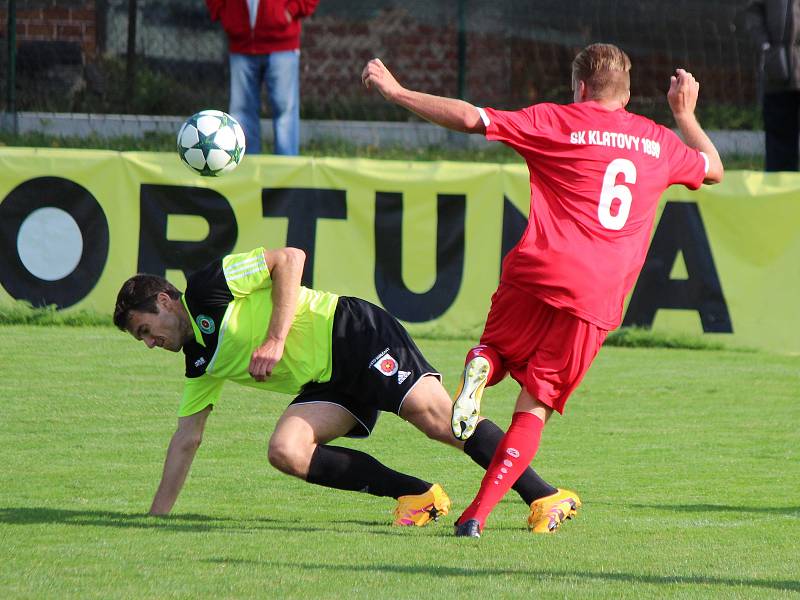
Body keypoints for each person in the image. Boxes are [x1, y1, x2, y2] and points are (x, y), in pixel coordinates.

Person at [362, 43, 724, 537]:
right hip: (597, 292)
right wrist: (685, 113)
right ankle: (475, 517)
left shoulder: (558, 121)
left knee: (497, 351)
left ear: (579, 88)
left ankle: (483, 364)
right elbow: (713, 167)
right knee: (534, 405)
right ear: (629, 92)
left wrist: (398, 92)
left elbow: (472, 119)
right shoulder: (657, 140)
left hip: (538, 267)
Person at [113, 245, 575, 531]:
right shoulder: (198, 363)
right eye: (142, 340)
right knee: (286, 450)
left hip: (352, 332)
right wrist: (156, 521)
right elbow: (186, 439)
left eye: (145, 330)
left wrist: (276, 338)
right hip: (328, 381)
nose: (151, 343)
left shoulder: (209, 286)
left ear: (164, 300)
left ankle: (544, 495)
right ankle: (418, 495)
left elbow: (289, 259)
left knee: (440, 421)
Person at [205, 0, 319, 155]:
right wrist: (224, 13)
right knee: (242, 111)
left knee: (285, 110)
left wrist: (291, 10)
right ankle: (246, 168)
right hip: (241, 44)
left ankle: (287, 171)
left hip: (282, 44)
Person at [740, 0, 800, 171]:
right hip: (776, 75)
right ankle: (779, 188)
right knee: (779, 140)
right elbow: (753, 11)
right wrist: (765, 46)